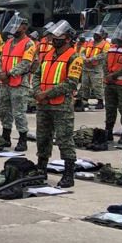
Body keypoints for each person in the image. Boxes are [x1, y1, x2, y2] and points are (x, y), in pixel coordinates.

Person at [33, 20, 82, 187]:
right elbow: (37, 75)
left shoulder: (74, 57)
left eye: (59, 37)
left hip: (61, 105)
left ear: (68, 39)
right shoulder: (48, 55)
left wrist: (46, 94)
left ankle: (69, 174)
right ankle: (41, 169)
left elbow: (71, 83)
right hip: (43, 104)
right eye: (54, 37)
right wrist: (37, 92)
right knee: (42, 137)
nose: (54, 39)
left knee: (64, 139)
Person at [0, 16, 36, 151]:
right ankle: (5, 137)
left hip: (19, 83)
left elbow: (26, 63)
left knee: (19, 113)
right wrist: (0, 73)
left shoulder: (29, 44)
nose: (14, 28)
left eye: (17, 26)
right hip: (5, 83)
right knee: (3, 111)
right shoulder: (8, 42)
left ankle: (22, 139)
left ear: (24, 27)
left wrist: (9, 74)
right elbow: (0, 59)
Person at [79, 27, 109, 109]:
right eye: (95, 34)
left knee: (97, 85)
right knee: (85, 85)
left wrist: (91, 59)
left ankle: (100, 101)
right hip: (86, 67)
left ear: (102, 35)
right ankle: (85, 100)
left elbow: (104, 55)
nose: (95, 36)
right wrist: (84, 58)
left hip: (97, 68)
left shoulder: (105, 44)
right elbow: (82, 52)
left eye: (97, 34)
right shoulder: (89, 42)